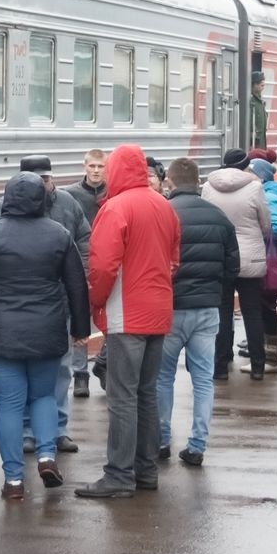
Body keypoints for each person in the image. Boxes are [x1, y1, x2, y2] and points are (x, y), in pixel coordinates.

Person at [0, 172, 90, 499]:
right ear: (42, 199)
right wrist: (81, 330)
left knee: (8, 406)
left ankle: (14, 480)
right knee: (44, 396)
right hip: (46, 329)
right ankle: (47, 456)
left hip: (1, 331)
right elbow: (76, 286)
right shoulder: (59, 234)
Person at [76, 143, 180, 500]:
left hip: (126, 313)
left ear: (118, 170)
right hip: (159, 312)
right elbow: (174, 259)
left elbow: (103, 265)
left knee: (121, 397)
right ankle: (146, 470)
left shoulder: (115, 208)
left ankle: (119, 475)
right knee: (146, 393)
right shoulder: (163, 205)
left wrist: (95, 302)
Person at [0, 155, 92, 439]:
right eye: (37, 179)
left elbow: (84, 239)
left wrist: (79, 271)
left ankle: (58, 429)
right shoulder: (0, 210)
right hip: (16, 306)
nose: (43, 184)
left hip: (58, 305)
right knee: (19, 376)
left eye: (46, 178)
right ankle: (26, 429)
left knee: (60, 369)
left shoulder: (68, 203)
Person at [157, 158, 238, 465]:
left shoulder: (165, 213)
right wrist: (215, 292)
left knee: (163, 378)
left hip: (171, 309)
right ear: (198, 182)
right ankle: (197, 445)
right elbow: (233, 266)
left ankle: (162, 440)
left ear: (171, 182)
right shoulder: (219, 216)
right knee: (203, 379)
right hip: (207, 309)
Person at [201, 149, 272, 379]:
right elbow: (266, 223)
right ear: (245, 165)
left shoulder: (208, 187)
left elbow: (206, 218)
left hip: (220, 255)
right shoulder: (255, 187)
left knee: (222, 313)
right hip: (249, 256)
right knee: (252, 312)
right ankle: (258, 366)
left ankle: (220, 367)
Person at [247, 157, 277, 373]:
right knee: (265, 308)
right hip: (263, 256)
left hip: (268, 258)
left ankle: (271, 357)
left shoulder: (269, 195)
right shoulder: (266, 192)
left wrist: (254, 231)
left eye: (251, 173)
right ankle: (268, 353)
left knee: (266, 308)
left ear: (260, 176)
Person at [65, 148, 107, 225]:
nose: (96, 170)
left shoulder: (112, 192)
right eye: (92, 166)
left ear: (107, 168)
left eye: (100, 166)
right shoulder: (70, 194)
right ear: (84, 167)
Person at [250, 72, 268, 148]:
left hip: (260, 142)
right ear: (254, 85)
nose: (263, 87)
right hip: (253, 143)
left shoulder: (260, 101)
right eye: (261, 85)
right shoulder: (251, 100)